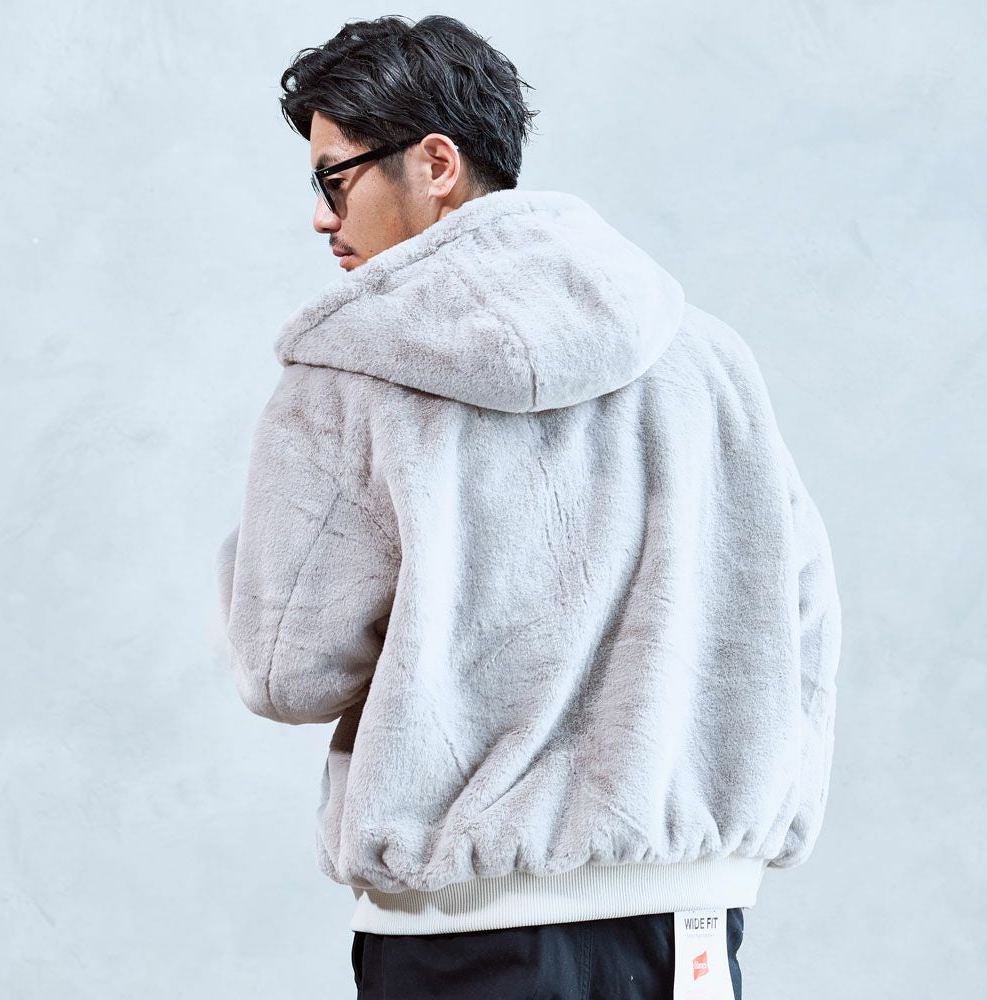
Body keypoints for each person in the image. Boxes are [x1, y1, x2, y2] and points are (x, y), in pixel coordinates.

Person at [214, 14, 843, 1000]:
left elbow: (285, 671)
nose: (323, 218)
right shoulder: (707, 360)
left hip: (466, 934)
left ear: (435, 164)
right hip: (690, 925)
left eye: (334, 178)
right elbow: (799, 620)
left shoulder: (345, 378)